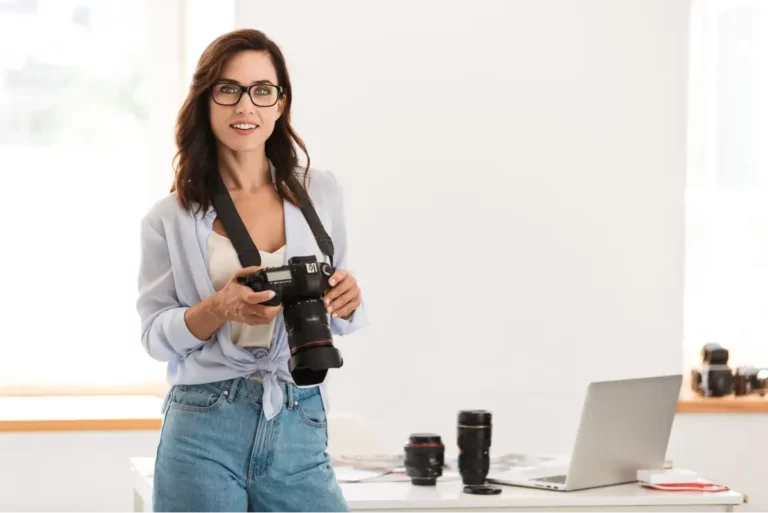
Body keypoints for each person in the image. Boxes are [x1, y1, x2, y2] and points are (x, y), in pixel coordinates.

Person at [136, 28, 368, 513]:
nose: (247, 107)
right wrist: (219, 307)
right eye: (229, 90)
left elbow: (337, 314)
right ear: (206, 100)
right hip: (204, 421)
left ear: (281, 104)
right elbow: (156, 337)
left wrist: (348, 298)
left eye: (263, 91)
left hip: (298, 412)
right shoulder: (171, 217)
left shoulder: (320, 193)